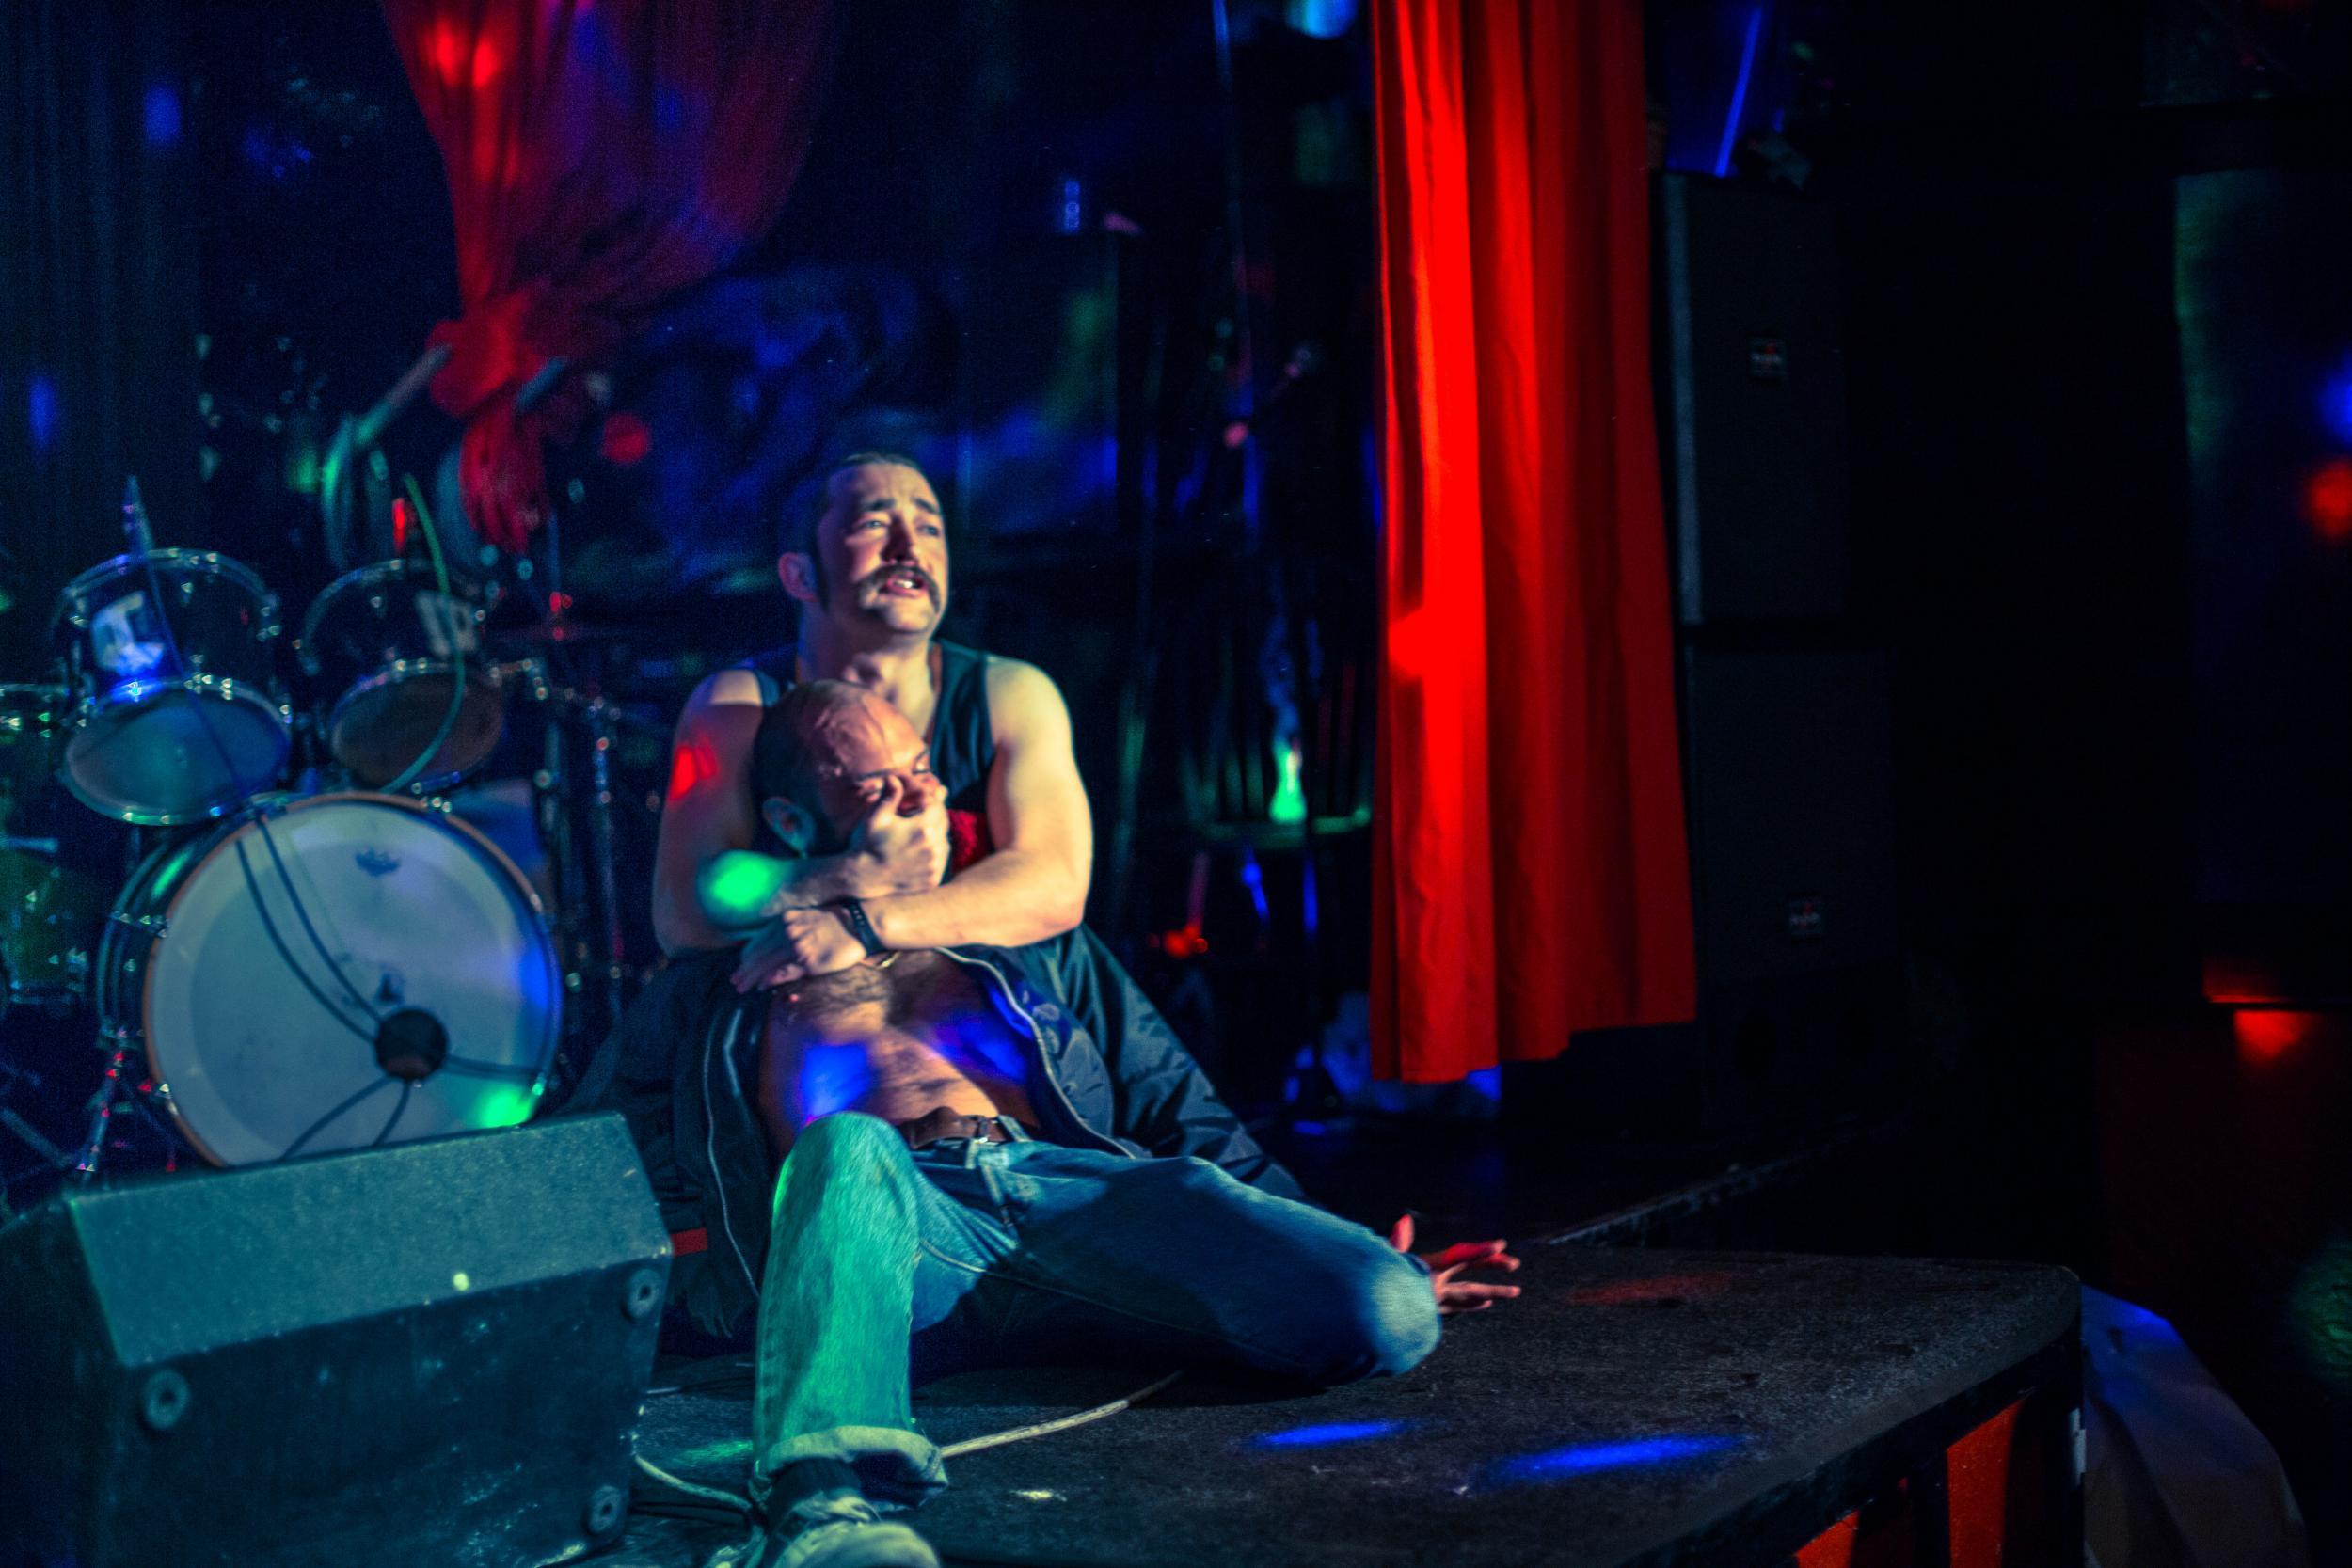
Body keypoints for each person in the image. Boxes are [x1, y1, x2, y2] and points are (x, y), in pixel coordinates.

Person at [697, 680, 1521, 1568]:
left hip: (1063, 1201)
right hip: (902, 1234)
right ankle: (824, 1522)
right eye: (875, 784)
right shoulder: (726, 986)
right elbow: (606, 1162)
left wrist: (1321, 1233)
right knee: (849, 1141)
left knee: (1388, 1305)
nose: (924, 796)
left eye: (924, 770)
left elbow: (1175, 1097)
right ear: (790, 821)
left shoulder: (1026, 942)